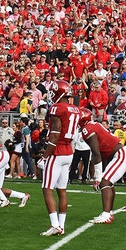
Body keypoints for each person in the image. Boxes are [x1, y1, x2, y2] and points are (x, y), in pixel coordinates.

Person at [38, 80, 81, 236]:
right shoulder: (75, 109)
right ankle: (61, 226)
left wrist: (45, 155)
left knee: (47, 188)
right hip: (69, 151)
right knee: (62, 190)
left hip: (57, 151)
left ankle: (55, 224)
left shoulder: (57, 108)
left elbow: (55, 135)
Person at [80, 109, 126, 223]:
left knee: (104, 182)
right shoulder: (94, 125)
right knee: (108, 183)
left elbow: (96, 153)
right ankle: (108, 212)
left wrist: (97, 177)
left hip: (120, 154)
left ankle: (106, 215)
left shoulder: (87, 129)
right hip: (119, 153)